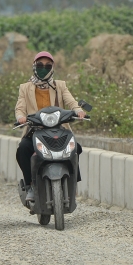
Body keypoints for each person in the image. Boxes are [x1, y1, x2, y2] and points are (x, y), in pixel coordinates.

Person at [15, 51, 85, 202]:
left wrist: (78, 110)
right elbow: (20, 107)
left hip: (58, 129)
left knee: (76, 148)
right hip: (34, 131)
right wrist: (20, 117)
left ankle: (72, 181)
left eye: (48, 66)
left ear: (52, 67)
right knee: (23, 149)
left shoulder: (60, 85)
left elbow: (71, 102)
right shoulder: (25, 88)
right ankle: (30, 186)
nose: (43, 68)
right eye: (40, 65)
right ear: (34, 66)